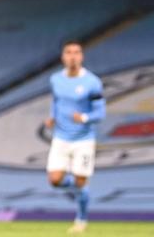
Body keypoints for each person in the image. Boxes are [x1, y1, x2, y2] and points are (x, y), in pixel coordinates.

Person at [46, 40, 105, 235]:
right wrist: (53, 117)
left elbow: (100, 113)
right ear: (63, 57)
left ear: (82, 56)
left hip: (83, 140)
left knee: (81, 181)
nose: (73, 56)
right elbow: (56, 101)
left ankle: (81, 218)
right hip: (61, 137)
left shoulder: (92, 82)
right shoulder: (55, 79)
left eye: (77, 52)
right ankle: (79, 188)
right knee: (55, 180)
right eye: (69, 52)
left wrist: (85, 117)